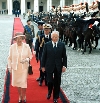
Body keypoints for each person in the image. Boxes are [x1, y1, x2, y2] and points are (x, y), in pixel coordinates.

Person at [41, 31, 67, 103]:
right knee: (49, 81)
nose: (55, 38)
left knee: (57, 82)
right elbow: (44, 56)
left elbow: (64, 57)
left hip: (58, 66)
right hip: (49, 65)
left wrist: (64, 66)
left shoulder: (62, 45)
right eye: (53, 37)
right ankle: (49, 91)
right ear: (51, 37)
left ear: (58, 37)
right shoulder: (47, 45)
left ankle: (55, 97)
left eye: (56, 37)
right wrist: (42, 66)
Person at [7, 32, 32, 103]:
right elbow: (9, 58)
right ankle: (20, 95)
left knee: (23, 82)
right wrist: (9, 67)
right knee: (18, 83)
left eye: (20, 38)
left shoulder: (26, 46)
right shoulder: (12, 47)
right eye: (17, 39)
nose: (19, 40)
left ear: (22, 39)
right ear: (15, 39)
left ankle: (24, 95)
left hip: (24, 68)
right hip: (15, 68)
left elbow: (30, 56)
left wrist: (27, 59)